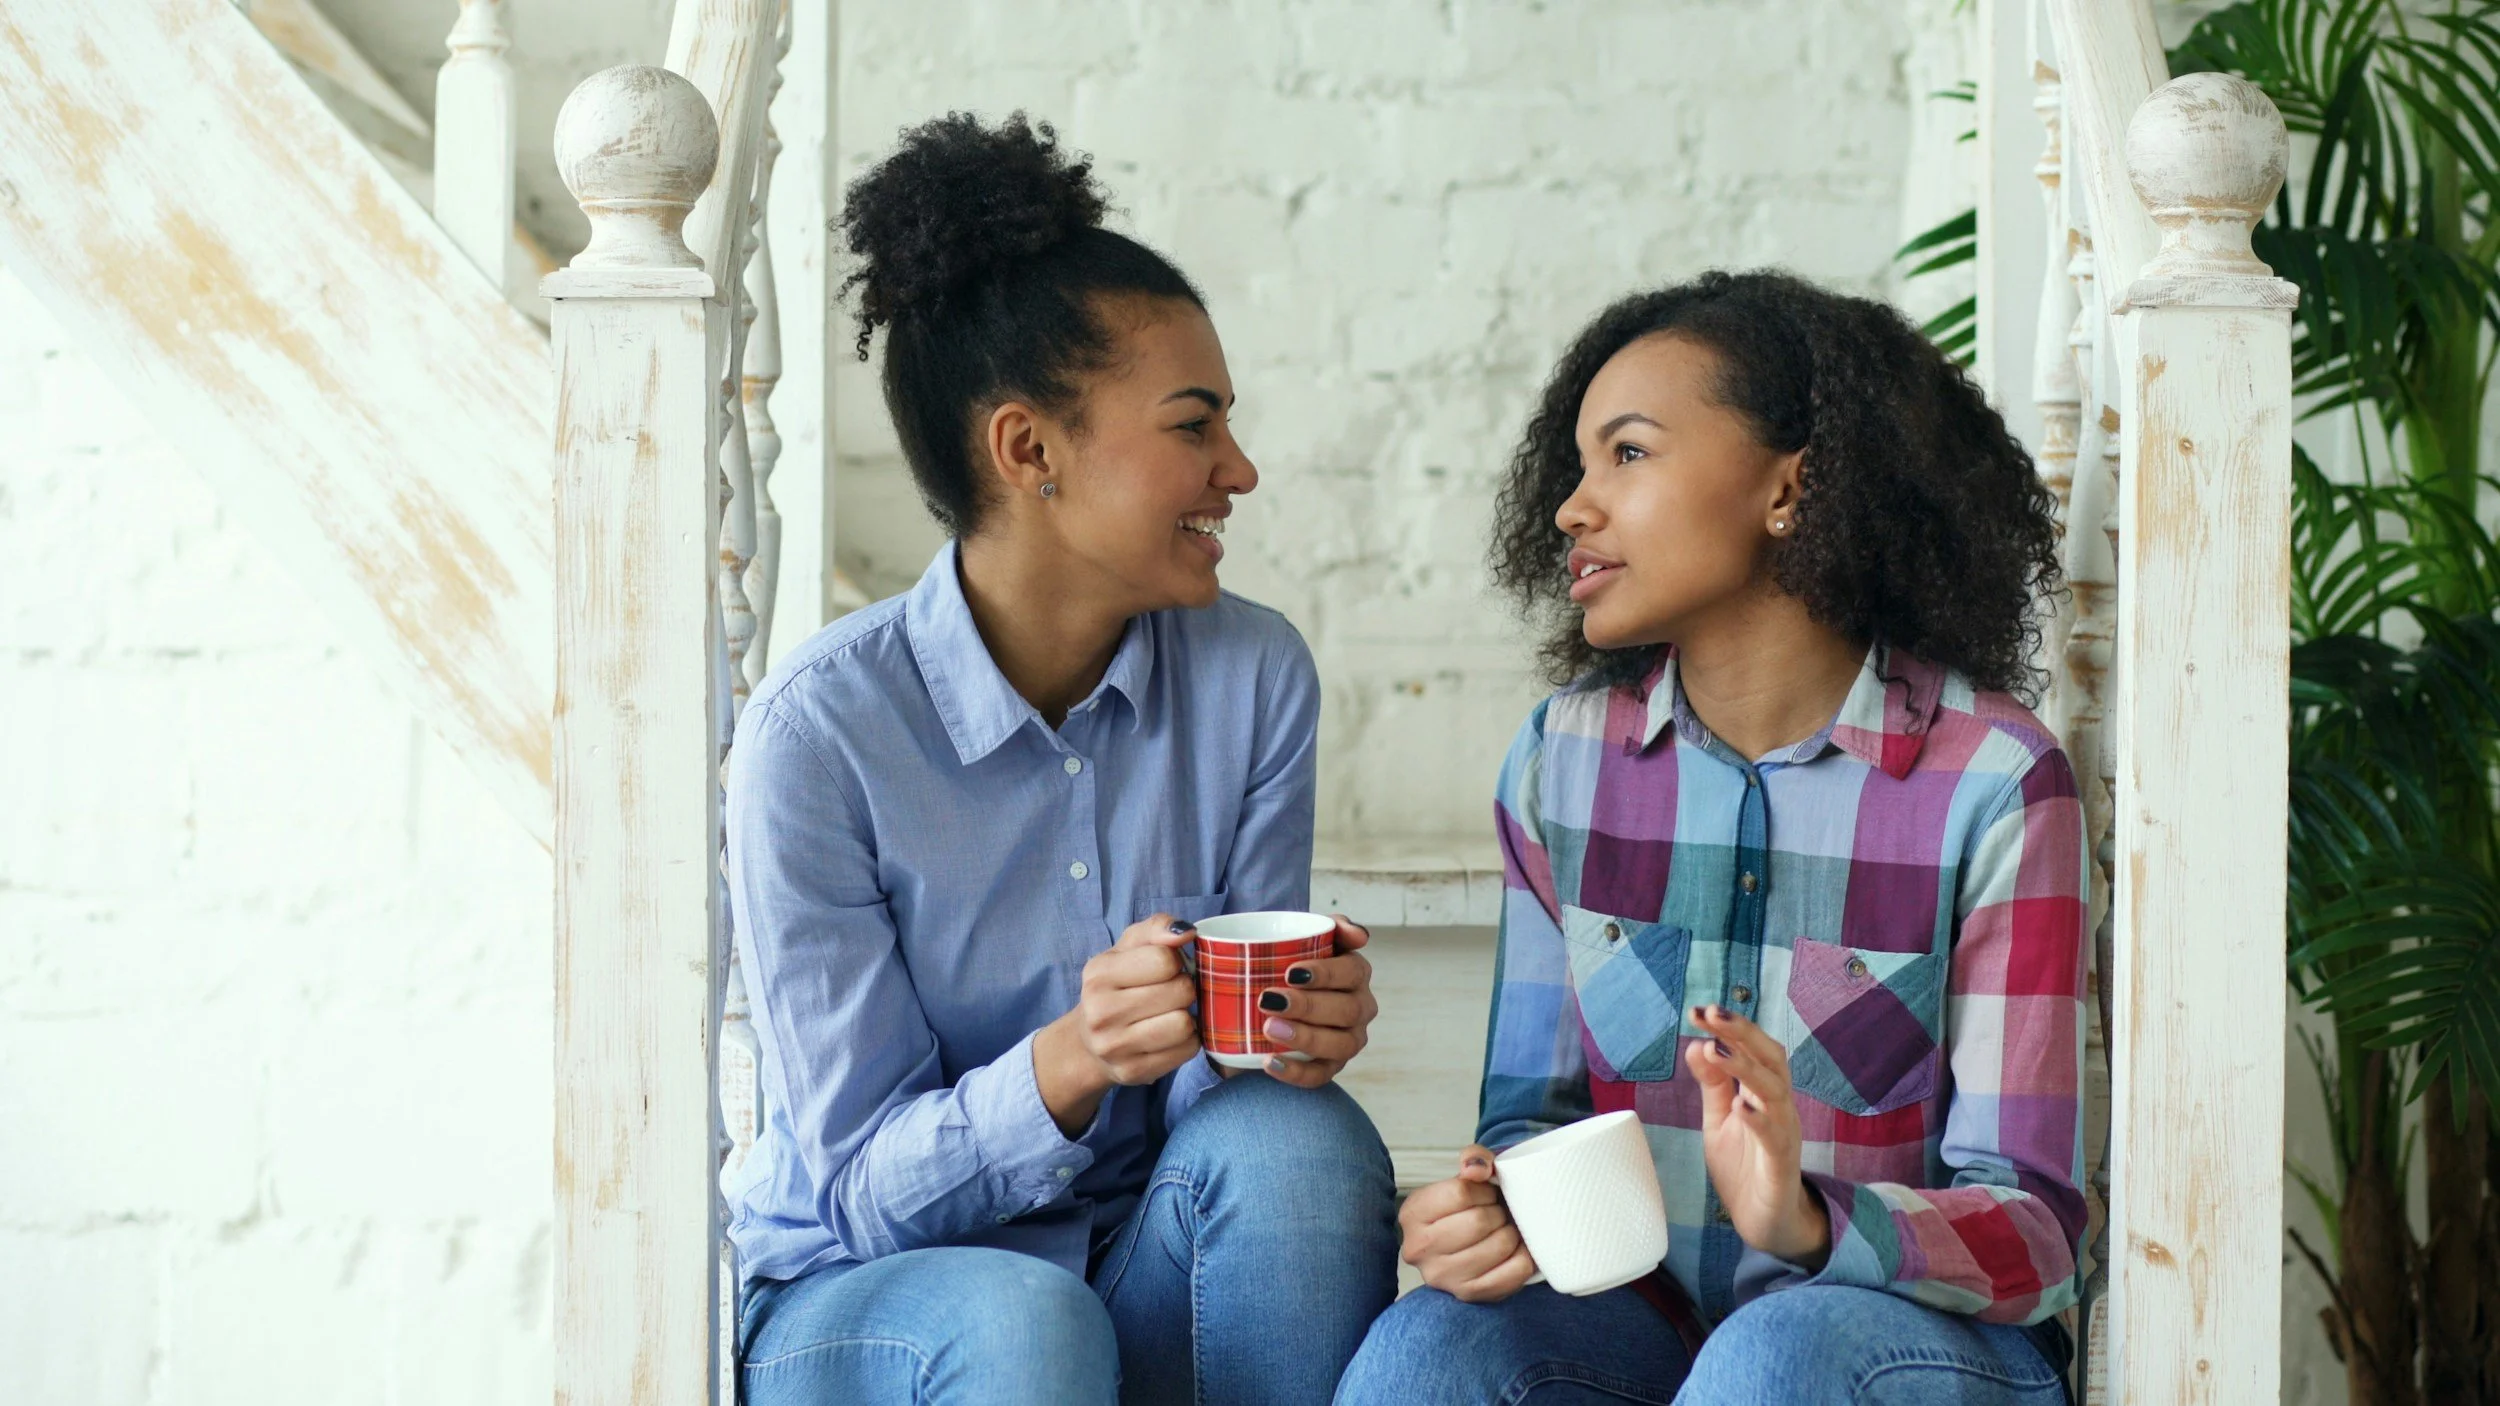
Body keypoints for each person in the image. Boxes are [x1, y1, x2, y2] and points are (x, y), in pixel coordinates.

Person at [725, 112, 1396, 1406]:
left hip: (1130, 1264)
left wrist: (1286, 1039)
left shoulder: (1255, 677)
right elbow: (860, 1191)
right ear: (1029, 449)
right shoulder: (821, 735)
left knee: (1296, 1142)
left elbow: (1226, 1114)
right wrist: (1074, 1056)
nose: (1240, 469)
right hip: (864, 1301)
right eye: (1195, 426)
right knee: (1027, 1322)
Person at [1337, 270, 2085, 1405]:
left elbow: (2034, 1230)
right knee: (1430, 1347)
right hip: (1649, 1332)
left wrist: (1806, 1218)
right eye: (1578, 465)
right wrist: (1492, 1215)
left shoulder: (1994, 782)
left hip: (1910, 1344)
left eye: (1628, 454)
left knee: (1769, 1357)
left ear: (1789, 486)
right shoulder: (1562, 762)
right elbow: (1529, 1122)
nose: (1572, 508)